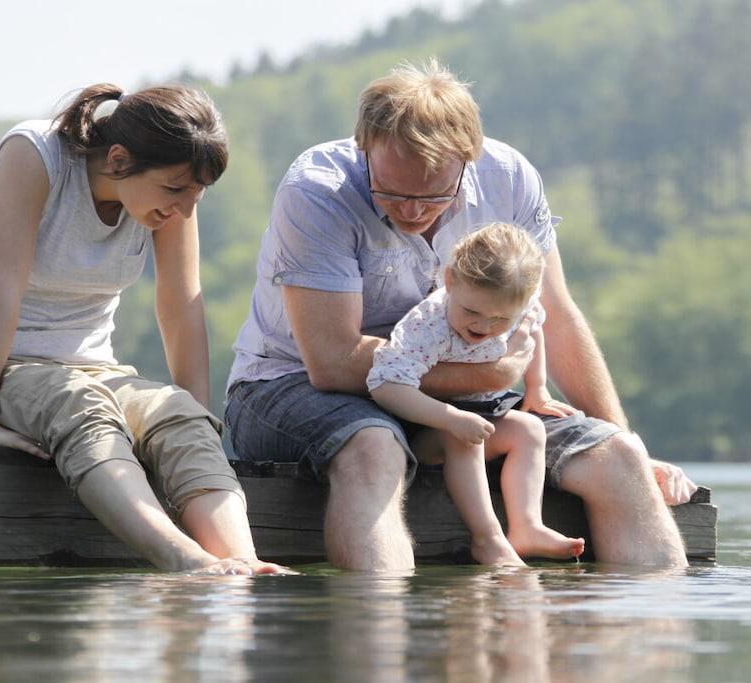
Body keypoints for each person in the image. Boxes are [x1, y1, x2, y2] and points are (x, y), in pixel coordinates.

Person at [225, 60, 698, 571]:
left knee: (619, 458)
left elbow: (556, 314)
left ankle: (646, 619)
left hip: (463, 399)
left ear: (468, 160)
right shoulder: (318, 190)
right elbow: (333, 361)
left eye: (434, 195)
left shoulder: (510, 179)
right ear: (364, 147)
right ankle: (377, 619)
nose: (412, 211)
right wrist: (488, 374)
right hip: (291, 385)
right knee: (374, 445)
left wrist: (623, 437)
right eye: (392, 193)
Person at [0, 83, 283, 575]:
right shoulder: (33, 155)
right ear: (119, 160)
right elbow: (0, 289)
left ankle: (243, 565)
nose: (186, 209)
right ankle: (188, 562)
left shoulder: (171, 195)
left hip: (88, 376)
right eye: (176, 190)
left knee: (178, 415)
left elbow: (180, 303)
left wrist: (192, 414)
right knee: (78, 402)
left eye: (198, 194)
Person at [368, 222, 584, 565]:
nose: (484, 327)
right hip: (421, 426)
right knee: (464, 438)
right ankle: (488, 540)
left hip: (478, 413)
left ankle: (528, 527)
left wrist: (537, 389)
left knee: (530, 428)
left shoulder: (519, 306)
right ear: (451, 280)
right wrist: (450, 418)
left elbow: (532, 332)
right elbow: (385, 386)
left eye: (500, 319)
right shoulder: (427, 325)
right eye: (472, 312)